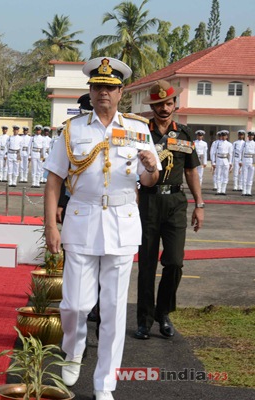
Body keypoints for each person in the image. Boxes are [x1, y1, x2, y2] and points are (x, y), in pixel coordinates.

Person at [44, 57, 160, 400]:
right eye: (97, 87)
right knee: (74, 305)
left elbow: (149, 180)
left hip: (122, 223)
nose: (103, 93)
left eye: (109, 88)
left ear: (121, 92)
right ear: (90, 91)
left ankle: (104, 383)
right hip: (82, 219)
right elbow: (54, 180)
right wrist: (50, 223)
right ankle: (74, 349)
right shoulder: (73, 129)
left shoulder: (139, 129)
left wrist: (152, 168)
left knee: (112, 308)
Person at [135, 80, 204, 342]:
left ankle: (163, 313)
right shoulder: (141, 133)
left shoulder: (185, 134)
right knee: (147, 264)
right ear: (151, 106)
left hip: (175, 202)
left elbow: (190, 172)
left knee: (174, 262)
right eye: (158, 104)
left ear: (175, 104)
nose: (164, 108)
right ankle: (143, 320)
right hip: (148, 202)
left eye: (168, 103)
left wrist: (199, 204)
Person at [213, 130, 232, 195]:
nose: (223, 137)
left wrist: (230, 162)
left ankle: (223, 190)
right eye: (222, 136)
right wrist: (213, 162)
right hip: (219, 159)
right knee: (218, 175)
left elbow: (230, 154)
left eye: (225, 136)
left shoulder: (229, 144)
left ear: (227, 136)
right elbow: (214, 153)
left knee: (225, 176)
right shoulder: (217, 143)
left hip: (225, 160)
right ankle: (219, 190)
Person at [241, 131, 255, 196]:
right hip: (245, 159)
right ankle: (244, 190)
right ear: (248, 136)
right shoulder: (244, 143)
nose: (251, 136)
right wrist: (241, 161)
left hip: (252, 160)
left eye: (252, 135)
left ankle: (248, 191)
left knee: (250, 176)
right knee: (244, 176)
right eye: (250, 135)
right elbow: (241, 152)